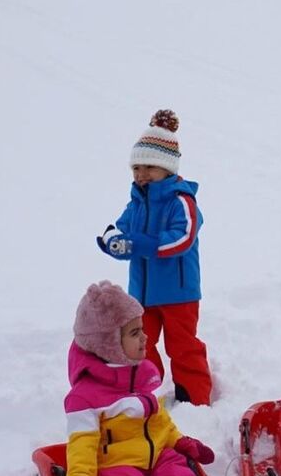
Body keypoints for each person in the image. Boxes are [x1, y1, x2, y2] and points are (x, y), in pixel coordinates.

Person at [97, 109, 212, 406]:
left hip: (178, 294)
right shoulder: (136, 201)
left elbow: (181, 238)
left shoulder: (182, 201)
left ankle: (194, 399)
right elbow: (121, 230)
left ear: (167, 168)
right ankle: (144, 392)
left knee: (182, 346)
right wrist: (113, 242)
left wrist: (140, 244)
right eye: (136, 168)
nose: (141, 174)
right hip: (142, 295)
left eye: (149, 167)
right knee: (138, 344)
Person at [65, 280, 215, 476]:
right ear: (108, 344)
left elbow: (159, 421)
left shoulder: (142, 376)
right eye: (135, 333)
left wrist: (179, 441)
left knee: (180, 470)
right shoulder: (84, 398)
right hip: (117, 466)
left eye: (142, 329)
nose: (145, 337)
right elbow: (82, 447)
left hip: (159, 458)